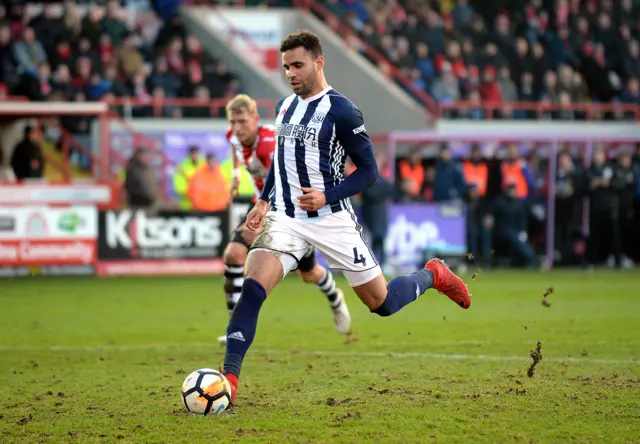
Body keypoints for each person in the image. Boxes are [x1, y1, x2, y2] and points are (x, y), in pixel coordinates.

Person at [220, 30, 471, 405]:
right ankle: (229, 382)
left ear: (319, 62)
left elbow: (369, 171)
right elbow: (281, 164)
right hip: (286, 219)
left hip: (331, 219)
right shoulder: (284, 107)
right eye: (286, 66)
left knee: (381, 304)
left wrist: (327, 194)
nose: (291, 73)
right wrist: (263, 201)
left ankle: (433, 274)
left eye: (298, 65)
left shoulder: (342, 111)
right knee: (252, 291)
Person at [218, 93, 351, 346]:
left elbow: (282, 180)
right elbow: (236, 148)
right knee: (234, 254)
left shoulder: (268, 143)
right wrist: (236, 173)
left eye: (242, 122)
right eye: (232, 122)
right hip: (263, 202)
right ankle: (234, 327)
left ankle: (335, 296)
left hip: (292, 208)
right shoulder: (233, 136)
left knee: (309, 274)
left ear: (256, 119)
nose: (236, 128)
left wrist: (268, 212)